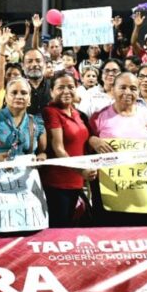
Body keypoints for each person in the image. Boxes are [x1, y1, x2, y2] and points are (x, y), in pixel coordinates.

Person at [87, 73, 147, 227]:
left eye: (133, 88)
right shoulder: (99, 116)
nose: (128, 92)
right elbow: (87, 145)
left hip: (140, 190)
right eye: (123, 87)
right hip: (109, 190)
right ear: (113, 90)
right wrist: (93, 140)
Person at [43, 72, 92, 228]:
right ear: (51, 92)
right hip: (57, 183)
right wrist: (81, 171)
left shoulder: (77, 114)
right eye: (60, 87)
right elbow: (58, 148)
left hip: (76, 182)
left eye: (70, 87)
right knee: (58, 230)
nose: (66, 91)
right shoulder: (50, 112)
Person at [0, 78, 47, 163]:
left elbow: (42, 152)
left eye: (24, 93)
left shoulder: (36, 123)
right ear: (5, 98)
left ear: (29, 99)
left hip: (27, 173)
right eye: (14, 93)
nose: (19, 96)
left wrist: (41, 157)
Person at [21, 49, 51, 116]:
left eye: (38, 61)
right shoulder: (16, 89)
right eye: (29, 61)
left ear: (45, 64)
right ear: (22, 66)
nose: (34, 64)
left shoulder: (53, 86)